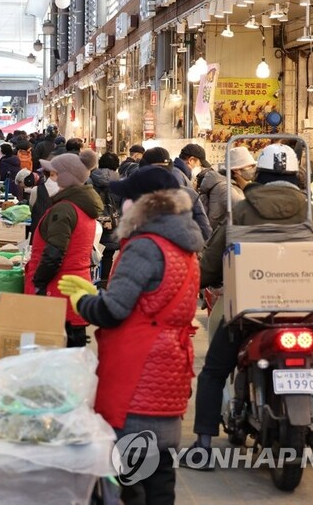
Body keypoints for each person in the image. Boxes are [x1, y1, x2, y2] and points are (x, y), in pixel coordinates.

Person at [182, 143, 313, 469]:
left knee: (213, 371)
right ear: (296, 175)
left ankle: (203, 445)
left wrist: (197, 283)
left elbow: (212, 260)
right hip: (302, 311)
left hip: (250, 313)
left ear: (260, 174)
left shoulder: (241, 211)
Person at [58, 165, 204, 505]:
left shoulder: (145, 246)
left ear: (144, 204)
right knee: (159, 467)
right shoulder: (183, 244)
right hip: (170, 366)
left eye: (126, 199)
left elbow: (114, 311)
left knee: (131, 472)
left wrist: (84, 301)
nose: (121, 204)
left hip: (139, 370)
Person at [25, 154, 102, 347]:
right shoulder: (83, 206)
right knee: (72, 353)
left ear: (66, 178)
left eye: (54, 173)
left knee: (54, 354)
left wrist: (38, 282)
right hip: (74, 288)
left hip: (57, 289)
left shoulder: (65, 209)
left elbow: (54, 253)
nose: (52, 178)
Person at [140, 147, 212, 241]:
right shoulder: (188, 193)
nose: (199, 168)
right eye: (199, 164)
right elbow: (205, 231)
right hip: (179, 251)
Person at [197, 146, 257, 229]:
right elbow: (248, 213)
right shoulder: (225, 188)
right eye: (250, 166)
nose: (254, 169)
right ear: (236, 170)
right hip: (220, 238)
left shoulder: (231, 184)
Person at [90, 151, 122, 287]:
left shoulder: (90, 180)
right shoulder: (121, 183)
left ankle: (91, 282)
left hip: (93, 225)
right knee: (107, 256)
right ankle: (103, 284)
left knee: (91, 255)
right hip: (112, 227)